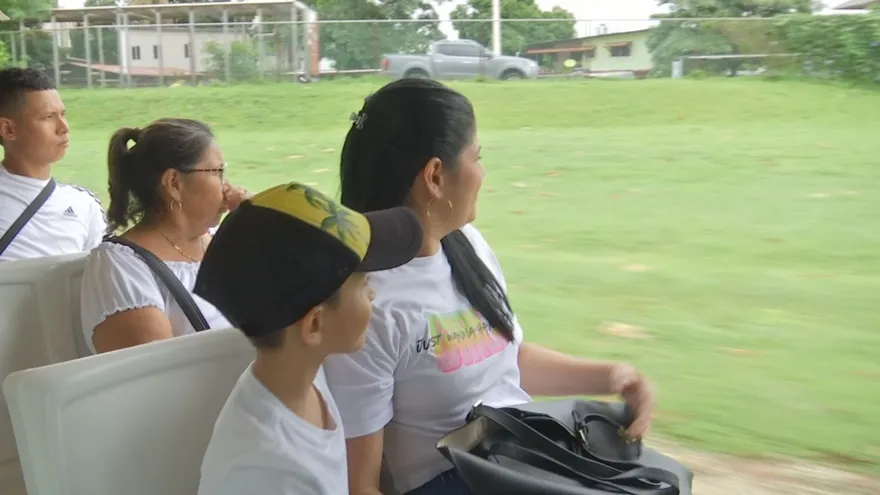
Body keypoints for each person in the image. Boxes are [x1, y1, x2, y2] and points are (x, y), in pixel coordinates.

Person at [322, 78, 657, 495]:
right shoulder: (367, 303)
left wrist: (612, 376)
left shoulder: (467, 248)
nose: (482, 172)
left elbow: (502, 362)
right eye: (476, 156)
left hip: (520, 461)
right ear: (435, 176)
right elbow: (362, 486)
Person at [193, 181, 423, 495]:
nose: (373, 294)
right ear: (314, 325)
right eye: (364, 283)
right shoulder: (267, 472)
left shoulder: (304, 380)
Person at [79, 117, 249, 354]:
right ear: (174, 183)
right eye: (218, 172)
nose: (228, 187)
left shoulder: (229, 242)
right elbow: (158, 377)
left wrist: (256, 224)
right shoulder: (120, 265)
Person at [0, 68, 105, 261]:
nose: (64, 128)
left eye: (63, 114)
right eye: (48, 117)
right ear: (8, 129)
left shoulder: (84, 205)